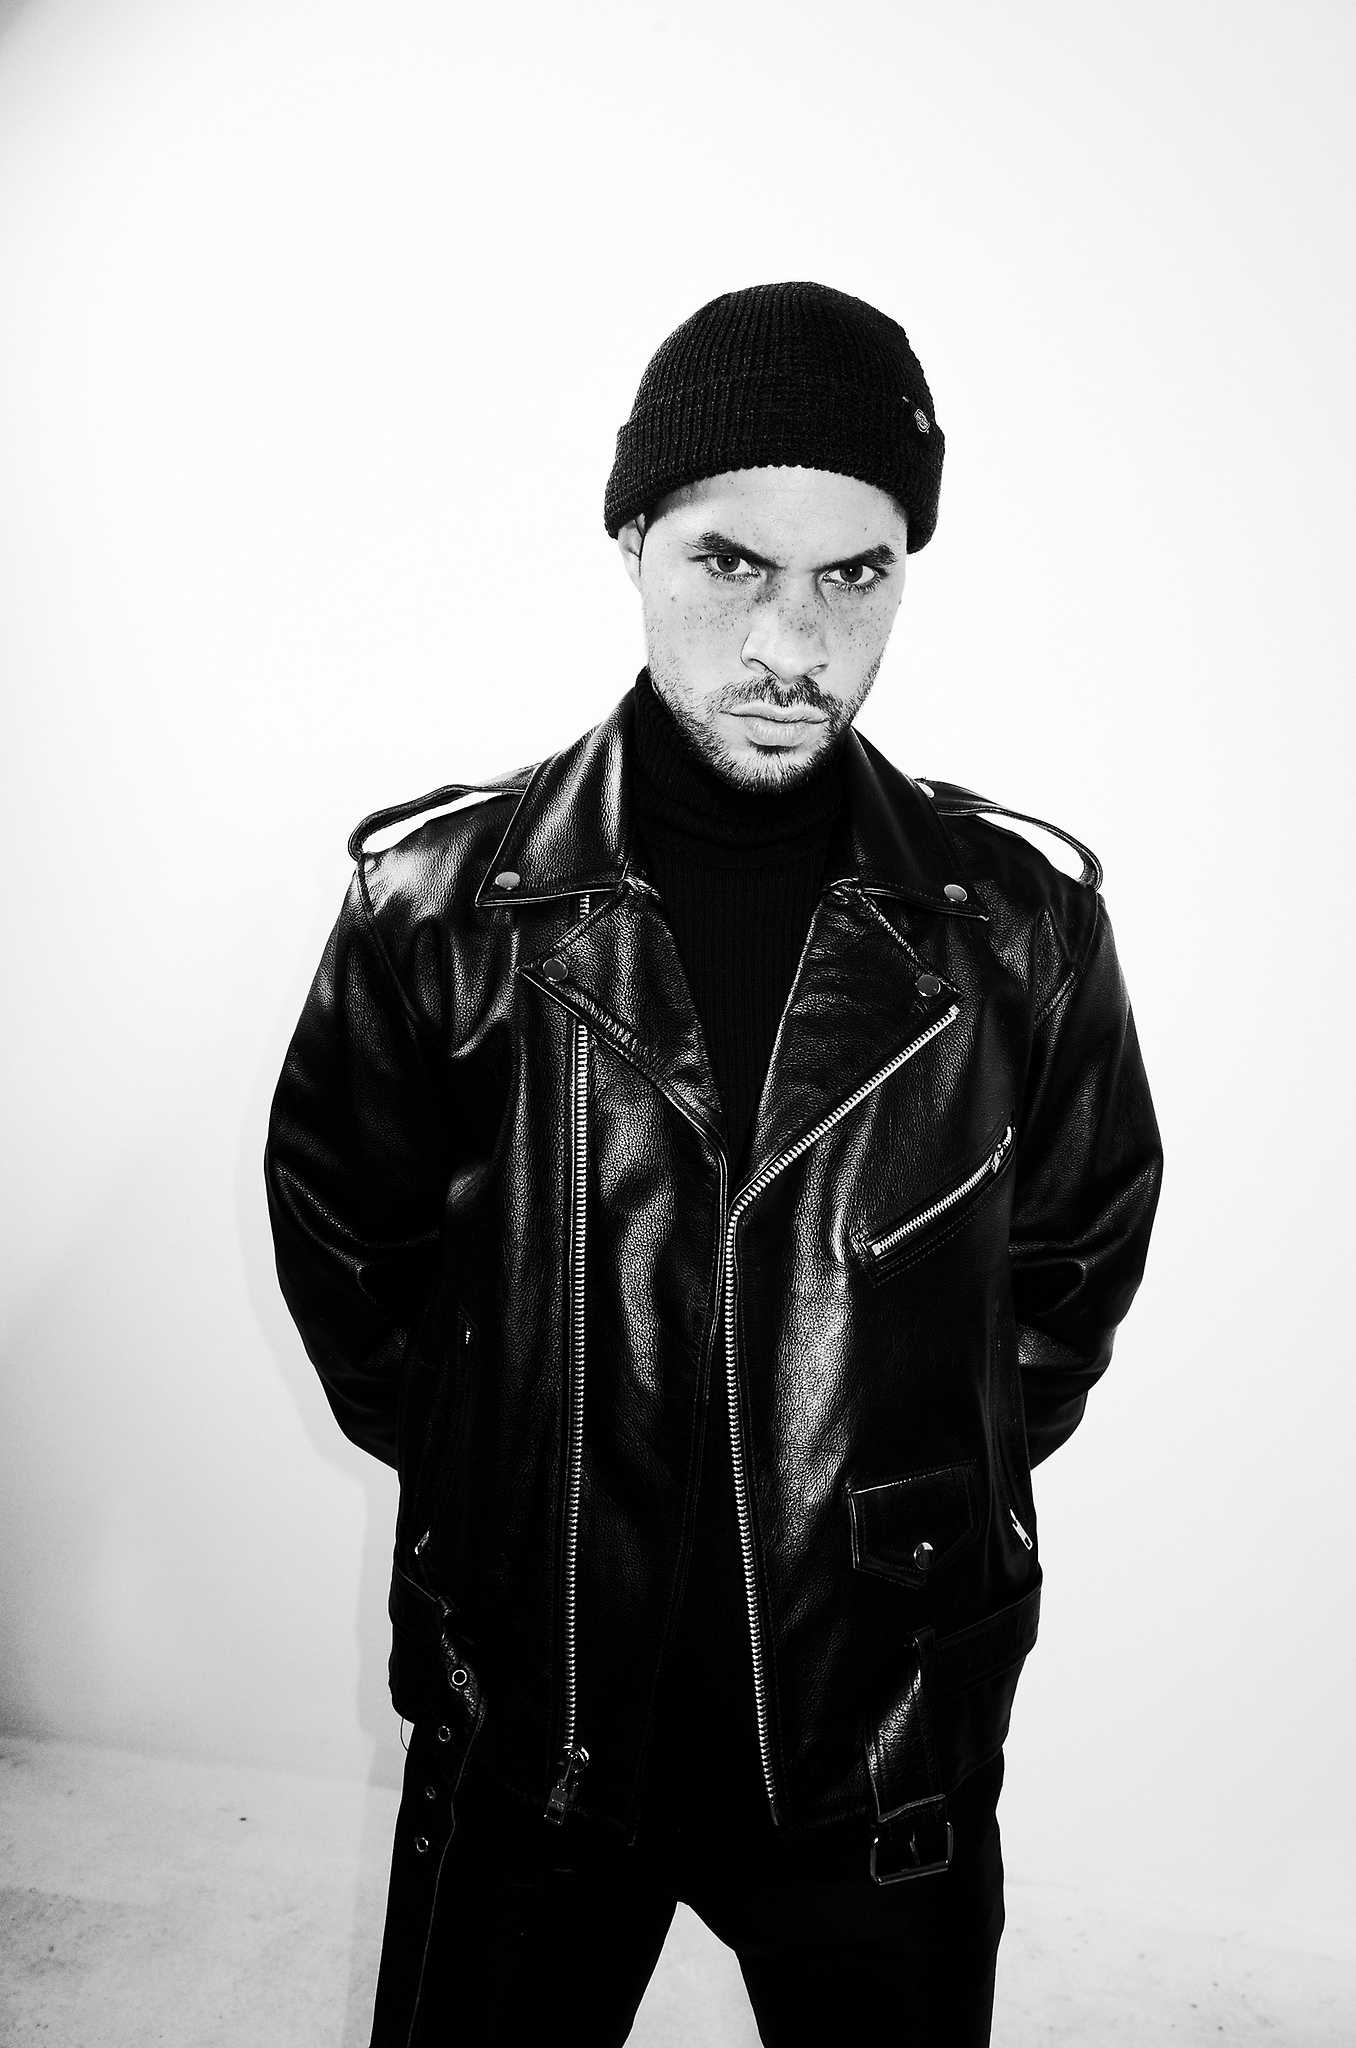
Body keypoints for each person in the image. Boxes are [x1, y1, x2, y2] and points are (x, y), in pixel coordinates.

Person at [264, 279, 1164, 2047]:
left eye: (856, 572)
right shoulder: (439, 912)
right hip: (535, 1719)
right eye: (730, 562)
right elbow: (352, 1264)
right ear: (633, 542)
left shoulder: (1019, 932)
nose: (793, 639)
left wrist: (894, 1512)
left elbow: (1068, 1277)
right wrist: (515, 1496)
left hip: (880, 1736)